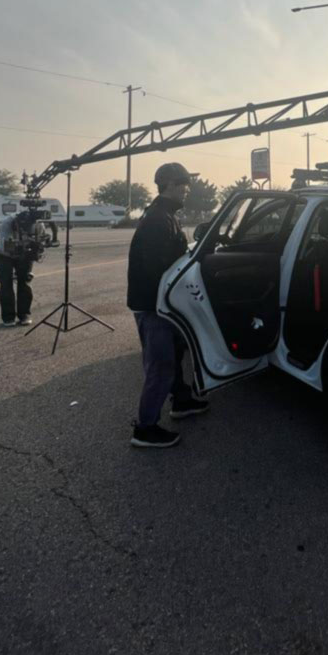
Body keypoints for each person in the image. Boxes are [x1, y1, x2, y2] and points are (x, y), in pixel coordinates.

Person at [127, 161, 209, 449]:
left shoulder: (164, 215)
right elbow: (158, 267)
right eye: (185, 185)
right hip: (155, 306)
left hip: (163, 303)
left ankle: (182, 401)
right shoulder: (157, 221)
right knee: (160, 365)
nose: (187, 190)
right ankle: (145, 428)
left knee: (173, 354)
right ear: (172, 185)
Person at [0, 211, 37, 326]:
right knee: (6, 284)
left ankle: (24, 315)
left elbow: (40, 242)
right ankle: (8, 317)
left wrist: (37, 248)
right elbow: (8, 246)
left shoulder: (38, 224)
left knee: (24, 283)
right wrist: (25, 246)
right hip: (3, 254)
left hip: (25, 253)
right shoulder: (7, 223)